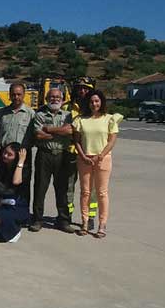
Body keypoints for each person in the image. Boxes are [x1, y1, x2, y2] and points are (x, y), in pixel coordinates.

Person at [72, 90, 120, 238]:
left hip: (102, 159)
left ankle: (102, 225)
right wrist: (82, 155)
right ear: (87, 103)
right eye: (92, 101)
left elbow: (111, 141)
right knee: (85, 192)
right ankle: (85, 222)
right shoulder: (80, 120)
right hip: (85, 159)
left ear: (102, 102)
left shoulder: (109, 119)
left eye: (97, 101)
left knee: (101, 193)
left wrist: (101, 155)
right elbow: (76, 141)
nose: (94, 104)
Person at [30, 88, 77, 233]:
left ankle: (63, 220)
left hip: (62, 155)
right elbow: (38, 135)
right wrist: (59, 132)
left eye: (58, 97)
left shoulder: (68, 115)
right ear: (46, 99)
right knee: (40, 188)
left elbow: (69, 131)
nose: (55, 99)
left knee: (62, 189)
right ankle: (38, 220)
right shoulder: (39, 114)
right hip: (44, 155)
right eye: (51, 97)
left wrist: (49, 129)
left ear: (62, 99)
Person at [64, 76, 98, 229]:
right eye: (80, 88)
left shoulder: (96, 108)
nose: (82, 90)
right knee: (68, 186)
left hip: (90, 154)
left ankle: (90, 217)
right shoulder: (66, 108)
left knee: (90, 189)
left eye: (86, 88)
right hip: (70, 152)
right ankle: (67, 215)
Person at [0, 82, 35, 203]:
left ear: (24, 95)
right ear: (9, 95)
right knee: (2, 181)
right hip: (5, 153)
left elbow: (34, 134)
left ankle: (22, 211)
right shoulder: (2, 113)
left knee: (23, 183)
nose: (16, 97)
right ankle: (3, 206)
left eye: (19, 94)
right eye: (13, 94)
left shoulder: (30, 114)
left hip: (22, 153)